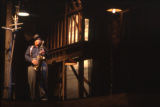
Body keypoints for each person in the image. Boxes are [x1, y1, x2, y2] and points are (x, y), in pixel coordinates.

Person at [25, 34, 48, 101]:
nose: (39, 40)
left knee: (43, 79)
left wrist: (44, 53)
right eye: (37, 39)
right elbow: (26, 56)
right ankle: (32, 97)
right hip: (32, 64)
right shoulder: (30, 47)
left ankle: (43, 96)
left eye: (39, 39)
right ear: (34, 41)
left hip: (42, 63)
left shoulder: (43, 47)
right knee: (31, 81)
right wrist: (32, 60)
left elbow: (48, 54)